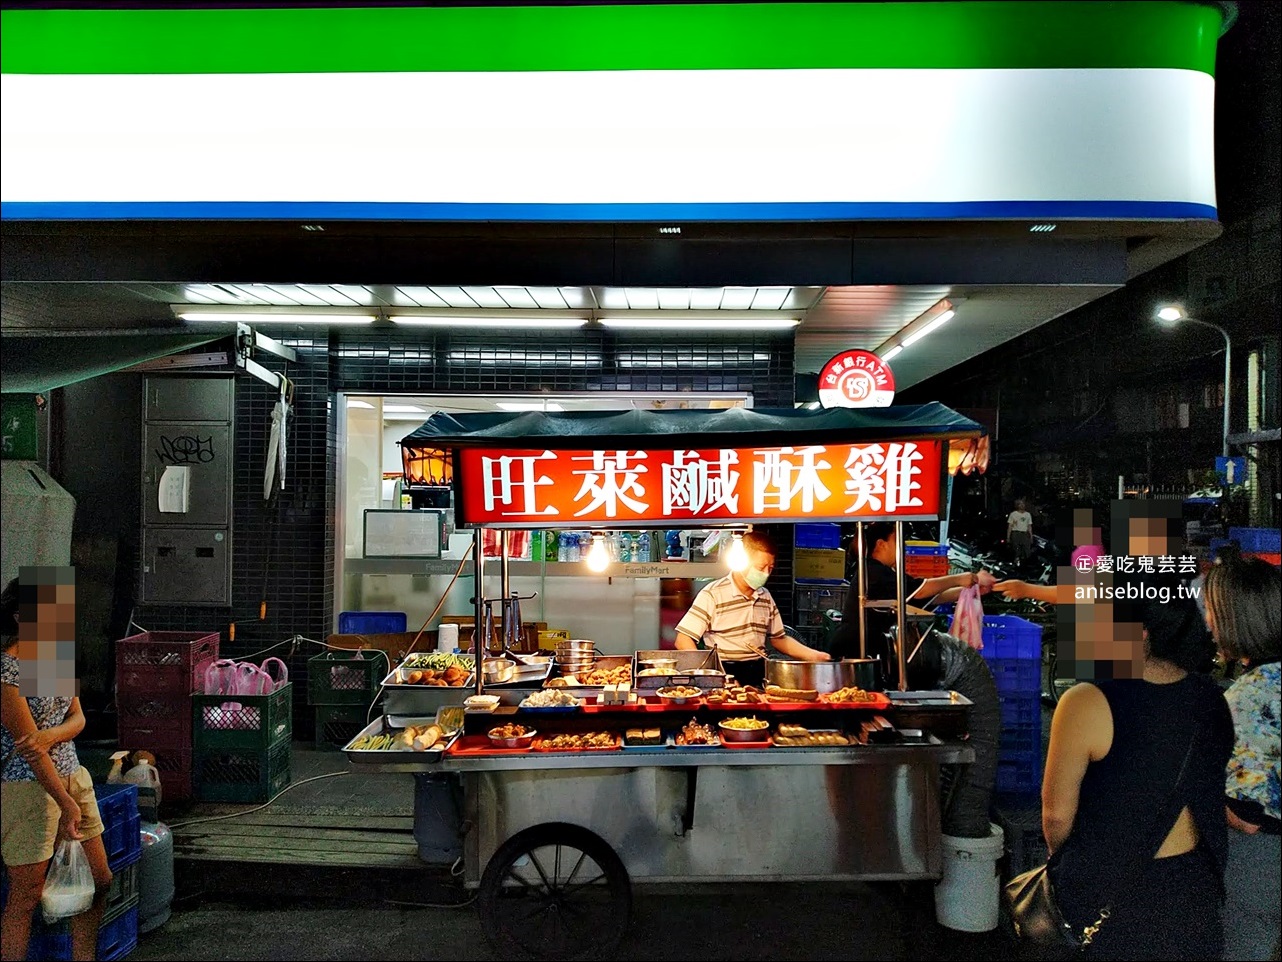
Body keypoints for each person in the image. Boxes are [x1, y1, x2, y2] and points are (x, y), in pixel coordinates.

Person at [1041, 598, 1234, 960]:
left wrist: (1070, 870)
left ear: (1139, 635)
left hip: (1107, 887)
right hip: (1193, 888)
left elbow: (1056, 818)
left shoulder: (1085, 701)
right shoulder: (1212, 699)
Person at [1, 574, 113, 962]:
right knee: (26, 897)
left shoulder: (52, 656)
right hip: (27, 789)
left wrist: (50, 736)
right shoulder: (7, 672)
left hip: (73, 775)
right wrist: (65, 803)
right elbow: (29, 752)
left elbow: (78, 718)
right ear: (20, 618)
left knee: (100, 882)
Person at [1203, 558, 1281, 962]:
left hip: (1263, 863)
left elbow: (1246, 816)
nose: (1209, 622)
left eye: (1213, 611)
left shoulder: (1245, 699)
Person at [674, 530, 829, 687]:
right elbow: (683, 640)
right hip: (724, 673)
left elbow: (779, 639)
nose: (766, 573)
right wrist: (707, 676)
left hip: (757, 674)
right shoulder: (713, 594)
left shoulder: (765, 596)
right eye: (761, 567)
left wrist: (814, 655)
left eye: (770, 568)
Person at [829, 522, 994, 664]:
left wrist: (968, 589)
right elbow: (920, 591)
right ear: (881, 544)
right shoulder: (873, 571)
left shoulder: (883, 571)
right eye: (896, 540)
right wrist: (961, 578)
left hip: (865, 647)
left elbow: (928, 595)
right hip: (854, 650)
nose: (903, 547)